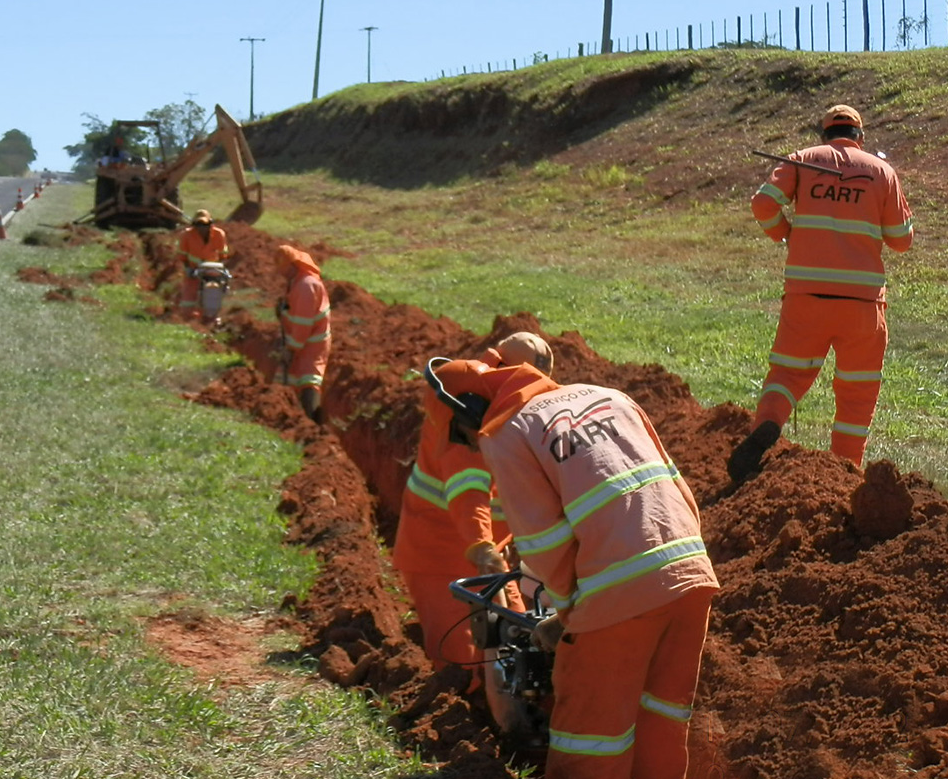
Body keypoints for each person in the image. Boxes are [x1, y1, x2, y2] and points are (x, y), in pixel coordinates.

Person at [424, 357, 719, 779]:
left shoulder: (507, 433)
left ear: (471, 409)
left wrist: (565, 617)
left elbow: (545, 543)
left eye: (463, 436)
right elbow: (676, 487)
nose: (472, 447)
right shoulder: (610, 398)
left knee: (589, 742)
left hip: (618, 592)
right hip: (690, 573)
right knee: (661, 721)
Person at [729, 104, 914, 481]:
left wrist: (786, 233)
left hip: (806, 298)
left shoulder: (801, 159)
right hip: (863, 306)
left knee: (787, 376)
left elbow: (763, 203)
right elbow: (901, 241)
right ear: (859, 136)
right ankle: (842, 476)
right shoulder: (882, 171)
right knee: (856, 395)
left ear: (824, 134)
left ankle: (767, 426)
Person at [392, 333, 554, 729]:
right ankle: (467, 724)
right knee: (457, 657)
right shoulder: (465, 419)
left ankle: (523, 711)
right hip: (438, 556)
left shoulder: (488, 403)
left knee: (517, 629)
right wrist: (483, 548)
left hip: (489, 552)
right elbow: (470, 499)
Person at [275, 244, 331, 423]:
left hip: (311, 342)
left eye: (283, 270)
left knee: (309, 380)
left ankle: (311, 420)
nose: (282, 275)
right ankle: (297, 416)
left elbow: (303, 324)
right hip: (301, 340)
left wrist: (291, 349)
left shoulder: (306, 286)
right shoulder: (297, 281)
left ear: (292, 265)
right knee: (296, 377)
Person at [177, 210, 230, 320]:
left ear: (210, 224)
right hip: (194, 268)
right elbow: (182, 256)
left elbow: (223, 254)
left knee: (215, 291)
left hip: (213, 268)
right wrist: (188, 268)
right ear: (194, 225)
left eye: (205, 225)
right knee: (189, 295)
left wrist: (221, 267)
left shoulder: (219, 234)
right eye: (199, 225)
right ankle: (188, 317)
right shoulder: (186, 235)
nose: (202, 228)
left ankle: (212, 314)